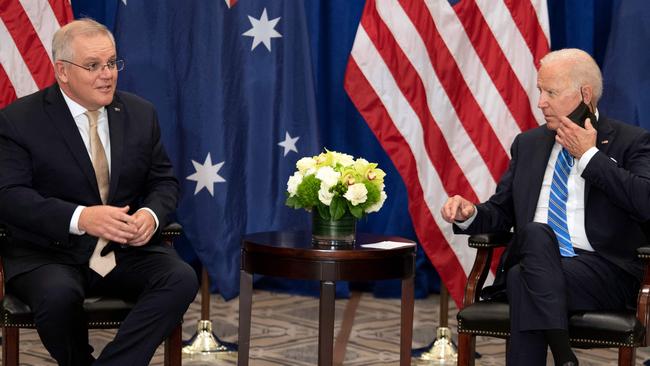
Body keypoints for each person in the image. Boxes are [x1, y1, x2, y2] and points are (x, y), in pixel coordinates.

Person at [0, 19, 198, 366]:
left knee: (180, 277)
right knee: (58, 297)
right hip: (49, 252)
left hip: (122, 248)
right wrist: (82, 218)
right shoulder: (19, 120)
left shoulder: (140, 113)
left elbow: (164, 182)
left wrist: (149, 217)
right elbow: (9, 196)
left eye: (111, 63)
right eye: (93, 66)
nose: (107, 74)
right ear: (62, 72)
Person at [441, 48, 650, 365]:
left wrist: (590, 157)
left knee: (522, 278)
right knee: (537, 236)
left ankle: (563, 355)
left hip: (602, 271)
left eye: (550, 92)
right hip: (539, 260)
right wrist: (471, 214)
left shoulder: (631, 141)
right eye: (540, 91)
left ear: (584, 93)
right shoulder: (529, 144)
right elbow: (501, 212)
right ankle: (565, 356)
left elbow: (645, 201)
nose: (540, 102)